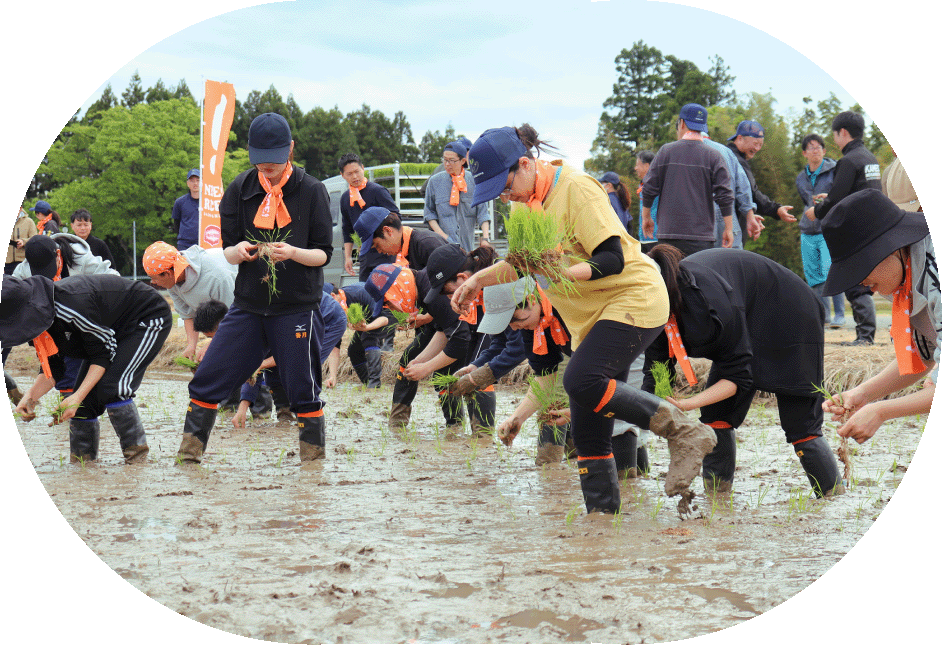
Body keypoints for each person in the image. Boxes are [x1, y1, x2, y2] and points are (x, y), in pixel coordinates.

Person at [452, 123, 717, 515]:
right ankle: (600, 523)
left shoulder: (576, 189)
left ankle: (683, 429)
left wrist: (559, 275)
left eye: (505, 187)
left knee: (580, 379)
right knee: (589, 430)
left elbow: (611, 258)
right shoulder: (524, 205)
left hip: (634, 299)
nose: (506, 197)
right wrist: (478, 279)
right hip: (590, 319)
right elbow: (523, 263)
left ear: (524, 163)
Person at [175, 112, 333, 465]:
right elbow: (228, 250)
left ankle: (312, 465)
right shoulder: (240, 189)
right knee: (208, 375)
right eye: (260, 162)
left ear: (290, 149)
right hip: (248, 305)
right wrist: (240, 251)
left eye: (274, 162)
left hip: (296, 306)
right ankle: (188, 457)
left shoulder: (312, 191)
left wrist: (292, 253)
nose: (268, 168)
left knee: (303, 389)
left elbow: (323, 254)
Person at [644, 244, 844, 497]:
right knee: (716, 416)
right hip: (744, 305)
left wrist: (688, 404)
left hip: (789, 311)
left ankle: (832, 497)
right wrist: (656, 410)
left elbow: (736, 376)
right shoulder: (656, 306)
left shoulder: (707, 305)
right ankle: (717, 498)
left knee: (800, 422)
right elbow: (657, 370)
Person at [1, 273, 172, 464]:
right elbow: (54, 367)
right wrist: (30, 397)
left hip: (144, 318)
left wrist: (76, 396)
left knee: (113, 388)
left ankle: (137, 463)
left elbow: (102, 355)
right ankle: (82, 464)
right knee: (83, 406)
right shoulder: (39, 323)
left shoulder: (69, 307)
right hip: (107, 332)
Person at [820, 189, 937, 444]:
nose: (861, 282)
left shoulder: (934, 275)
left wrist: (882, 411)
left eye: (861, 267)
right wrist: (863, 394)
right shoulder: (904, 276)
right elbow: (923, 355)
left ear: (889, 248)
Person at [422, 243, 526, 438]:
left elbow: (518, 347)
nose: (452, 299)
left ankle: (483, 438)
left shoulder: (501, 283)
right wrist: (475, 366)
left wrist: (479, 376)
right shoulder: (488, 286)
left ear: (463, 279)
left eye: (450, 292)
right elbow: (499, 342)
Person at [806, 111, 882, 346]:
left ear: (843, 133)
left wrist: (816, 212)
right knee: (862, 283)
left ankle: (865, 336)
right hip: (872, 226)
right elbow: (857, 191)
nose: (834, 139)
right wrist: (830, 196)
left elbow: (837, 198)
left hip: (856, 230)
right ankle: (865, 335)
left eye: (834, 134)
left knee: (856, 285)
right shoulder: (869, 158)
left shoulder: (848, 161)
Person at [12, 233, 120, 398]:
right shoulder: (24, 270)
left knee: (78, 357)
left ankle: (76, 401)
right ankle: (67, 401)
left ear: (57, 255)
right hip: (52, 319)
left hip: (85, 315)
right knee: (54, 359)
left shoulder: (81, 259)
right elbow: (13, 297)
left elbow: (113, 279)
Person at [366, 262, 468, 435]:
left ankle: (460, 430)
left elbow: (460, 340)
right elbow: (443, 329)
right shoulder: (422, 289)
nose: (391, 308)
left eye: (388, 303)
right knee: (410, 359)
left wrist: (426, 367)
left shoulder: (432, 292)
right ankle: (397, 424)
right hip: (454, 328)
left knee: (444, 375)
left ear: (397, 289)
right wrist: (420, 361)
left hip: (478, 326)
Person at [228, 288, 347, 428]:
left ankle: (308, 415)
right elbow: (255, 373)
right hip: (295, 313)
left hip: (328, 318)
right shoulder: (254, 331)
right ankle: (284, 411)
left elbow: (294, 354)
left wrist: (261, 364)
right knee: (270, 365)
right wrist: (242, 410)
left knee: (305, 365)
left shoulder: (273, 323)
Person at [641, 103, 735, 256]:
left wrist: (646, 217)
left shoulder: (666, 151)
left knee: (669, 278)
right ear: (702, 127)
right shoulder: (714, 156)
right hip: (702, 238)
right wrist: (728, 229)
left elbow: (649, 188)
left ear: (682, 123)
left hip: (668, 235)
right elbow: (724, 195)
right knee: (697, 279)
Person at [142, 241, 236, 361]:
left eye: (154, 278)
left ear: (167, 273)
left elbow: (232, 318)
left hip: (252, 303)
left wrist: (212, 345)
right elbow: (188, 315)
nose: (153, 282)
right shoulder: (172, 282)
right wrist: (191, 346)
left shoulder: (216, 278)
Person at [796, 134, 844, 329]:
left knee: (830, 271)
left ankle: (839, 315)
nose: (815, 151)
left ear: (824, 151)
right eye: (811, 147)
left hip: (829, 229)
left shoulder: (835, 171)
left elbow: (840, 197)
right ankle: (824, 316)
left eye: (818, 147)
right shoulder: (801, 177)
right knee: (813, 275)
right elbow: (805, 202)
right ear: (804, 153)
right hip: (808, 229)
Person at [338, 152, 400, 281]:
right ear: (342, 175)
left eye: (357, 171)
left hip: (385, 252)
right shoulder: (345, 198)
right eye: (349, 174)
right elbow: (347, 229)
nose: (355, 176)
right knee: (366, 292)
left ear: (363, 168)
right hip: (365, 254)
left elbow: (396, 217)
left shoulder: (377, 191)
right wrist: (348, 257)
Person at [726, 120, 797, 225]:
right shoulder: (737, 161)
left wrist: (750, 216)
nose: (757, 148)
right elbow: (751, 193)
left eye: (760, 144)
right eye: (755, 143)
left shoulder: (725, 154)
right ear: (740, 138)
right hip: (730, 225)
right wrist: (776, 209)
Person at [424, 140, 491, 251]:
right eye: (444, 160)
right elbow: (429, 214)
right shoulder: (434, 182)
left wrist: (485, 238)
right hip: (442, 248)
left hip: (467, 248)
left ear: (463, 161)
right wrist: (445, 238)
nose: (447, 164)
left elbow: (483, 213)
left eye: (451, 161)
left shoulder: (475, 182)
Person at [702, 129, 760, 248]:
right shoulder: (726, 151)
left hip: (699, 225)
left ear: (682, 126)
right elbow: (743, 186)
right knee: (732, 263)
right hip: (728, 220)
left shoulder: (679, 152)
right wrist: (750, 215)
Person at [327, 281, 387, 388]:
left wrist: (367, 327)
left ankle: (374, 383)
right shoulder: (332, 311)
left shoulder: (360, 292)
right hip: (365, 320)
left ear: (332, 296)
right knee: (354, 352)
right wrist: (333, 376)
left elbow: (384, 319)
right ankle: (367, 382)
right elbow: (334, 347)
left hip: (384, 311)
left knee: (368, 338)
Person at [355, 206, 447, 273]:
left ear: (388, 231)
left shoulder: (427, 244)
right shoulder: (404, 250)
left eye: (377, 245)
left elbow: (449, 285)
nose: (379, 251)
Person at [633, 151, 658, 253]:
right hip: (644, 236)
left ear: (647, 166)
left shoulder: (655, 184)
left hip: (654, 236)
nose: (635, 168)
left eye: (637, 165)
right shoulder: (643, 184)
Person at [172, 169, 201, 251]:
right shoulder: (180, 202)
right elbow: (176, 223)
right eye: (192, 181)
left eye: (198, 180)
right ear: (188, 183)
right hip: (185, 245)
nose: (195, 183)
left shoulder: (208, 202)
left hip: (204, 244)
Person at [7, 207, 37, 274]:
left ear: (20, 208)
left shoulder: (29, 222)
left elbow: (35, 239)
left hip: (23, 262)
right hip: (6, 263)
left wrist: (24, 242)